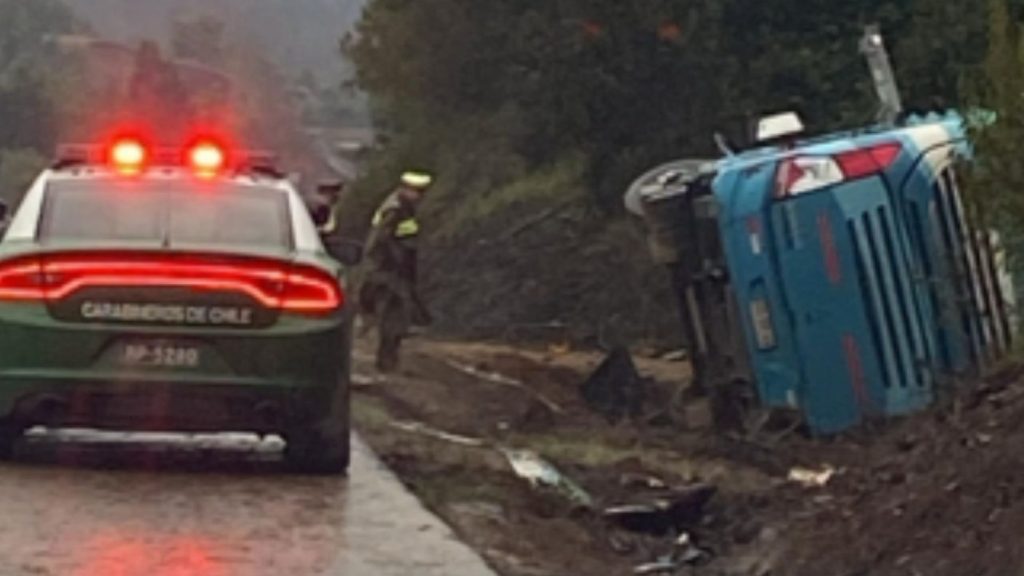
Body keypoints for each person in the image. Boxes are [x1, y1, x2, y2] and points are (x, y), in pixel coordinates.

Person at [359, 171, 433, 372]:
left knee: (395, 315)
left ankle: (387, 359)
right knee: (394, 316)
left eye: (420, 192)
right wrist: (395, 263)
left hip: (391, 270)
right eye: (415, 191)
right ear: (405, 189)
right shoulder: (395, 210)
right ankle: (386, 361)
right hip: (388, 271)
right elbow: (383, 240)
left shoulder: (401, 207)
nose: (418, 196)